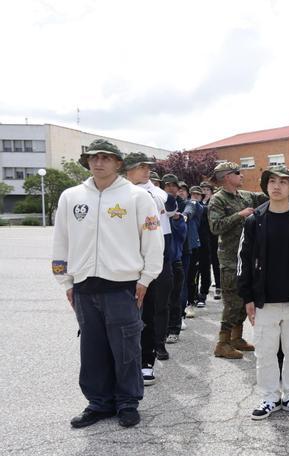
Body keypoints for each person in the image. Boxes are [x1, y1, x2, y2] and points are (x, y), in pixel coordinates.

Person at [53, 139, 163, 428]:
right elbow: (61, 240)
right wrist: (65, 281)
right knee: (92, 348)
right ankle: (98, 402)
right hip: (85, 285)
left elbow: (152, 240)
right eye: (93, 157)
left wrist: (147, 278)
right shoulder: (71, 196)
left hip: (123, 286)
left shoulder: (137, 197)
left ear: (118, 163)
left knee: (127, 348)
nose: (98, 162)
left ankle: (127, 402)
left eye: (106, 157)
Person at [238, 166, 289, 420]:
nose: (277, 186)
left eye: (283, 182)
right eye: (272, 181)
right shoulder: (254, 221)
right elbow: (243, 259)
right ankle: (269, 397)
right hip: (264, 302)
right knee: (265, 352)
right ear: (266, 187)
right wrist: (247, 297)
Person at [123, 152, 175, 386]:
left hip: (154, 253)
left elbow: (169, 205)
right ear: (127, 170)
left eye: (147, 167)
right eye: (141, 167)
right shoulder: (117, 191)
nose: (146, 171)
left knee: (151, 308)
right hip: (126, 256)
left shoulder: (153, 191)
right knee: (126, 312)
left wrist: (147, 189)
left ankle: (148, 359)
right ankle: (127, 361)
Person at [207, 161, 267, 359]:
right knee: (232, 302)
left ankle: (236, 338)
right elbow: (215, 227)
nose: (242, 176)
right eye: (237, 173)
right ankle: (222, 344)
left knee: (243, 299)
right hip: (230, 259)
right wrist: (239, 215)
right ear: (227, 177)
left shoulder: (245, 195)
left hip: (246, 258)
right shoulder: (218, 200)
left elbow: (268, 197)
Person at [162, 174, 188, 345]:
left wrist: (178, 219)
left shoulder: (182, 207)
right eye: (167, 185)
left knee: (174, 297)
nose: (171, 188)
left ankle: (174, 328)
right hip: (157, 261)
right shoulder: (153, 205)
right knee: (159, 300)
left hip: (175, 258)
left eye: (174, 185)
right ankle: (160, 330)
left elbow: (182, 234)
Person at [184, 186, 206, 317]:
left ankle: (190, 303)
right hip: (177, 246)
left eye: (182, 189)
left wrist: (184, 216)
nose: (180, 191)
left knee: (191, 277)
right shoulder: (172, 204)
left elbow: (190, 210)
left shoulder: (194, 204)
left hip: (192, 246)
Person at [200, 182, 222, 301]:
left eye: (207, 189)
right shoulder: (198, 202)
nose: (205, 191)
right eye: (203, 189)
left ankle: (219, 286)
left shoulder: (214, 202)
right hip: (203, 236)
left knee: (216, 261)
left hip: (213, 235)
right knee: (205, 263)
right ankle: (205, 287)